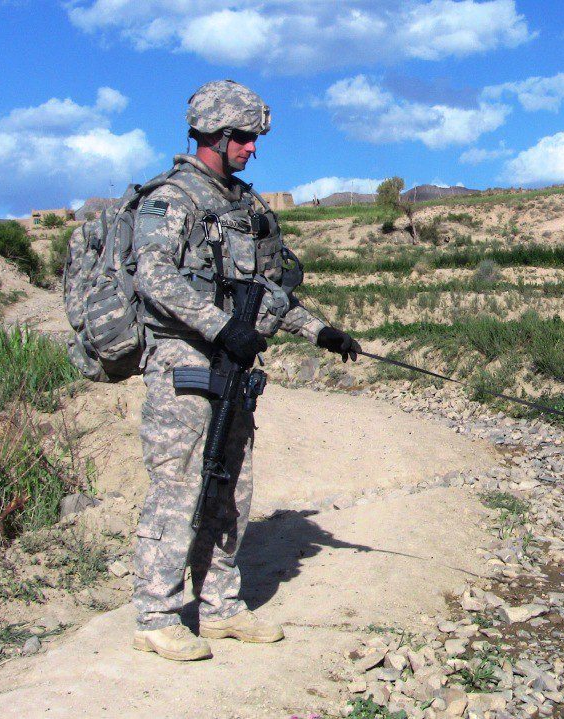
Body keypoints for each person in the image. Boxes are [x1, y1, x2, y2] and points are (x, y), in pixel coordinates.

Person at [130, 80, 360, 661]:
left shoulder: (247, 207)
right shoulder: (170, 200)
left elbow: (266, 289)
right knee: (179, 485)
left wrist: (319, 331)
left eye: (253, 139)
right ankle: (156, 613)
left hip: (234, 364)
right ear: (215, 134)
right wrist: (217, 326)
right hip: (183, 361)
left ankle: (220, 607)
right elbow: (153, 278)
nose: (253, 149)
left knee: (233, 486)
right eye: (245, 139)